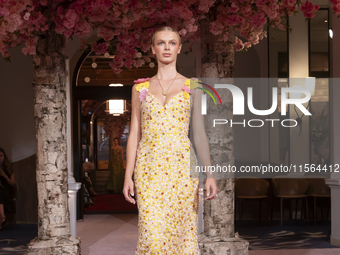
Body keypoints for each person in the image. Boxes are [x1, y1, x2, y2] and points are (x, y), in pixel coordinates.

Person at [123, 26, 218, 254]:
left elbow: (199, 133)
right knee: (151, 235)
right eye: (161, 43)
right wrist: (128, 175)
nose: (167, 47)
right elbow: (134, 134)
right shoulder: (139, 88)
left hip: (182, 169)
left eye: (172, 43)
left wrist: (210, 174)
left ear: (179, 48)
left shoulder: (193, 86)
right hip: (148, 170)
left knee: (182, 236)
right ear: (153, 49)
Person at [0, 148, 17, 230]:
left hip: (8, 192)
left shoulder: (9, 167)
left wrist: (4, 175)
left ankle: (2, 218)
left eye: (1, 155)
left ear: (4, 156)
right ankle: (2, 218)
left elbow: (12, 183)